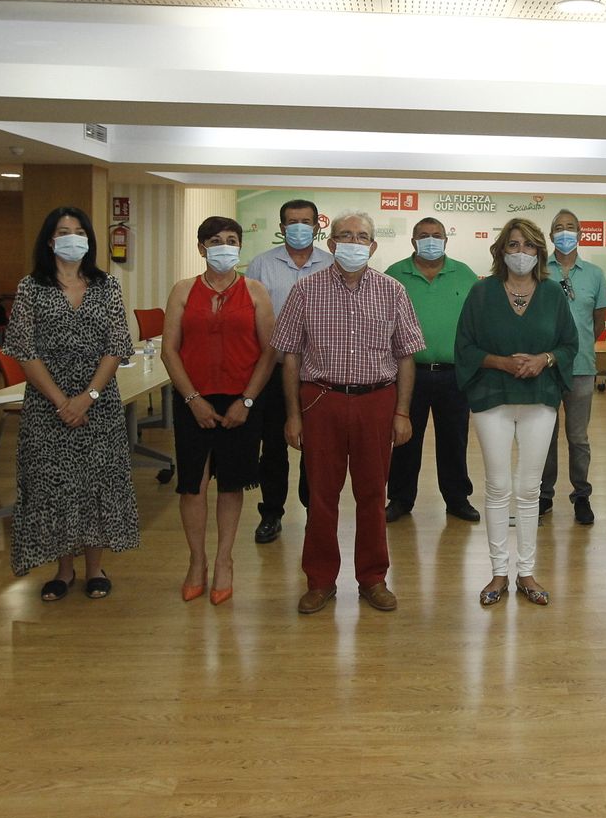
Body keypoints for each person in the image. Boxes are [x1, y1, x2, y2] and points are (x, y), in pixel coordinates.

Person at [274, 210, 425, 615]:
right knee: (321, 495)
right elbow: (289, 357)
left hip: (377, 402)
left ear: (373, 246)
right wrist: (293, 415)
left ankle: (372, 578)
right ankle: (320, 580)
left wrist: (403, 413)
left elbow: (406, 358)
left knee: (373, 494)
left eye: (361, 237)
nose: (353, 243)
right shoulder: (306, 291)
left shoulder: (393, 291)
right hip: (321, 400)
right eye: (345, 235)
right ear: (331, 243)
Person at [2, 206, 140, 602]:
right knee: (55, 486)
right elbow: (23, 349)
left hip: (99, 403)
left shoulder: (107, 286)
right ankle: (63, 570)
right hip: (48, 406)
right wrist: (63, 402)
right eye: (63, 231)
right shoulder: (31, 287)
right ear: (49, 240)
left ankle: (95, 568)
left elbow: (117, 345)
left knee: (97, 483)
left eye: (79, 231)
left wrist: (88, 397)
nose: (72, 237)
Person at [456, 218, 577, 606]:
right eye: (512, 245)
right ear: (501, 251)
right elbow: (466, 348)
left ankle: (525, 571)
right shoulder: (481, 293)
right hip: (493, 397)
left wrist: (544, 359)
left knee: (528, 489)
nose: (520, 252)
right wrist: (501, 363)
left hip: (539, 400)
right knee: (496, 487)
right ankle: (497, 573)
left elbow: (569, 345)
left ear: (539, 252)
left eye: (527, 246)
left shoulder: (554, 295)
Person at [159, 216, 279, 606]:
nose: (223, 247)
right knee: (193, 484)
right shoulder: (182, 291)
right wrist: (193, 399)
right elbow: (169, 350)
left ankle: (225, 560)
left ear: (239, 248)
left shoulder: (256, 291)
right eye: (215, 241)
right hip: (193, 398)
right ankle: (197, 562)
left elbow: (269, 351)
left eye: (231, 240)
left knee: (231, 483)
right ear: (201, 248)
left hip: (241, 402)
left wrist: (246, 401)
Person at [245, 199, 333, 543]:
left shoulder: (331, 264)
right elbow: (249, 318)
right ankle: (271, 512)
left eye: (306, 221)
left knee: (317, 446)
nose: (299, 227)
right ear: (281, 228)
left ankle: (315, 512)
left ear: (316, 226)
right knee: (274, 446)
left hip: (317, 374)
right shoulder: (262, 265)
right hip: (273, 370)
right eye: (292, 222)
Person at [384, 217, 481, 523]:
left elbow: (478, 322)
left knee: (454, 439)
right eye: (423, 235)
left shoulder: (463, 274)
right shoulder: (395, 275)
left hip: (454, 374)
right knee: (404, 438)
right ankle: (400, 498)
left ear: (446, 241)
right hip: (407, 373)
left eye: (436, 235)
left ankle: (457, 498)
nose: (430, 240)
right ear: (412, 241)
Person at [540, 209, 606, 525]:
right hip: (545, 367)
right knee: (545, 434)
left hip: (581, 367)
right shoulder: (540, 271)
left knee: (578, 437)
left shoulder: (594, 274)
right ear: (550, 234)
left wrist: (575, 348)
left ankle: (581, 495)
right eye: (559, 228)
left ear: (581, 233)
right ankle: (544, 495)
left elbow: (597, 323)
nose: (564, 232)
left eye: (570, 227)